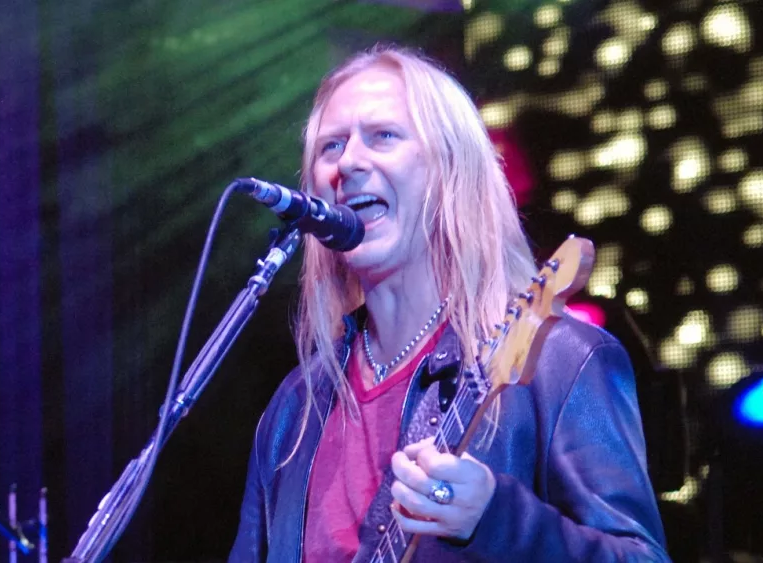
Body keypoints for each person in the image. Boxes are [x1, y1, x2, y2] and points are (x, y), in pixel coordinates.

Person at [228, 45, 670, 562]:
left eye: (383, 136)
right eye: (330, 147)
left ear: (450, 170)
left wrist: (497, 518)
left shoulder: (559, 359)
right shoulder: (294, 411)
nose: (347, 163)